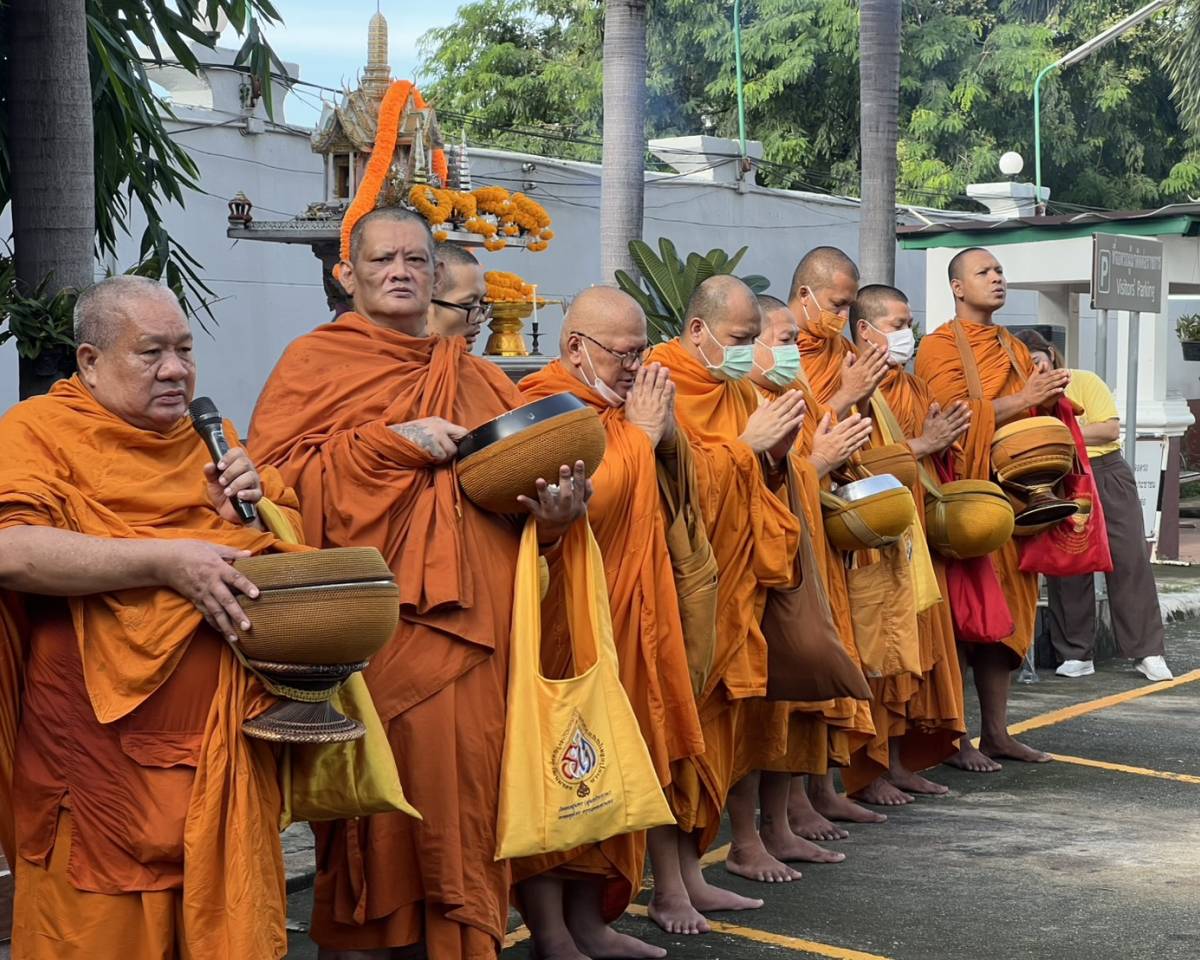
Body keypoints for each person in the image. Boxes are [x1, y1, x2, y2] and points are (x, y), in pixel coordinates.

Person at [248, 208, 589, 960]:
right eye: (382, 261)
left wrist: (556, 520)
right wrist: (387, 444)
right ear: (347, 275)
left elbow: (519, 499)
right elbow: (274, 491)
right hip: (381, 637)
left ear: (436, 275)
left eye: (414, 260)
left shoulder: (479, 377)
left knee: (469, 803)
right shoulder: (313, 363)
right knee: (376, 815)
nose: (400, 272)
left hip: (480, 636)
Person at [0, 275, 302, 958]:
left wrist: (256, 515)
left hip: (219, 760)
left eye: (185, 350)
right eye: (151, 352)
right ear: (90, 361)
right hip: (96, 767)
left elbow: (285, 550)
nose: (175, 370)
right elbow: (12, 551)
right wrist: (164, 561)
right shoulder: (39, 431)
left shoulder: (212, 440)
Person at [512, 287, 706, 956]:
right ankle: (550, 931)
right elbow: (589, 501)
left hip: (630, 620)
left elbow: (679, 488)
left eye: (642, 352)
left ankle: (593, 922)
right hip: (562, 623)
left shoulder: (622, 411)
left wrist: (659, 435)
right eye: (624, 354)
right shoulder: (542, 402)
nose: (635, 367)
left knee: (614, 773)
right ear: (576, 348)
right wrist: (642, 436)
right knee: (560, 772)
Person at [644, 275, 806, 923]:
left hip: (737, 589)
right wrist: (747, 449)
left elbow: (753, 483)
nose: (747, 350)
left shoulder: (736, 388)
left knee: (721, 739)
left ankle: (693, 873)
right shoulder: (661, 384)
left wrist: (774, 457)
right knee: (677, 736)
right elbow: (669, 489)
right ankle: (668, 887)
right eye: (740, 337)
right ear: (697, 330)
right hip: (683, 592)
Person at [915, 247, 1070, 770]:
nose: (997, 279)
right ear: (957, 287)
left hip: (1018, 498)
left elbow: (1035, 412)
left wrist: (1050, 392)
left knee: (1006, 619)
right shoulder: (938, 346)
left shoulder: (1012, 345)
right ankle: (956, 736)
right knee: (964, 615)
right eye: (983, 272)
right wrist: (1027, 396)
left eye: (1000, 271)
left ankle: (998, 733)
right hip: (968, 496)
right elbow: (953, 416)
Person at [744, 294, 876, 852]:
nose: (792, 353)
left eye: (793, 343)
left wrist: (824, 457)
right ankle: (761, 830)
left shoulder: (789, 395)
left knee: (798, 697)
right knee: (765, 704)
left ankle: (789, 814)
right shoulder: (735, 399)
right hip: (758, 569)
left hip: (804, 558)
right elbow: (727, 479)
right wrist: (817, 460)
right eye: (782, 341)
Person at [788, 247, 910, 823]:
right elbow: (788, 435)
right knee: (807, 660)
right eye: (837, 304)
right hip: (794, 522)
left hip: (834, 517)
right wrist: (842, 396)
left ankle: (823, 787)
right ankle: (798, 800)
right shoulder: (784, 356)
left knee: (839, 655)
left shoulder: (844, 355)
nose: (843, 316)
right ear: (804, 295)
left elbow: (851, 436)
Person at [849, 284, 970, 798]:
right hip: (871, 535)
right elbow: (855, 463)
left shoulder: (911, 386)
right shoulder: (849, 384)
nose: (907, 335)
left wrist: (941, 442)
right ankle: (868, 770)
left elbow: (928, 454)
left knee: (912, 652)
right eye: (897, 326)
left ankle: (896, 762)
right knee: (881, 653)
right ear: (864, 330)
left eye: (908, 325)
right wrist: (922, 444)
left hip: (912, 531)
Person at [1014, 329, 1172, 684]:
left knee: (1128, 559)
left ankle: (1148, 651)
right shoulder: (1021, 397)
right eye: (1025, 366)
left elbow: (1109, 430)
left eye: (1037, 361)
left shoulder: (1083, 381)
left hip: (1105, 472)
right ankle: (1075, 653)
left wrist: (1056, 434)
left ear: (1050, 355)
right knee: (1067, 564)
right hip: (1060, 478)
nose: (1035, 370)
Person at [427, 244, 489, 349]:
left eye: (483, 303)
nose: (481, 318)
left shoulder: (472, 362)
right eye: (467, 305)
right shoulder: (397, 357)